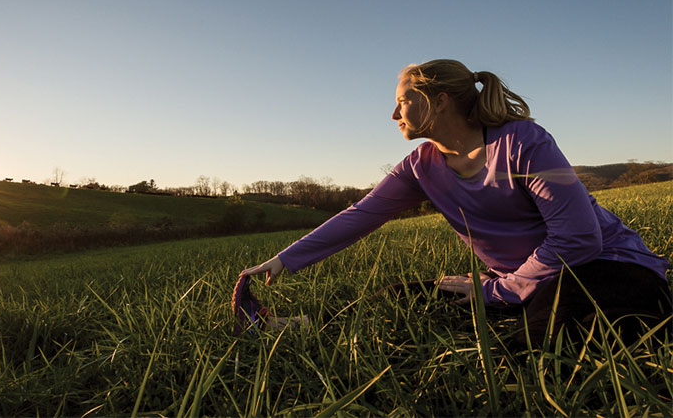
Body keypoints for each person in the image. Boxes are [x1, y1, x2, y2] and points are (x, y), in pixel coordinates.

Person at [240, 59, 671, 346]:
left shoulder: (524, 143)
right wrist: (283, 260)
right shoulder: (420, 166)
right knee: (401, 299)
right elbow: (361, 215)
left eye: (402, 102)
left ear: (439, 100)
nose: (394, 116)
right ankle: (297, 327)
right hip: (517, 282)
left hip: (607, 268)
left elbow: (579, 239)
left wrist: (498, 290)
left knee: (538, 333)